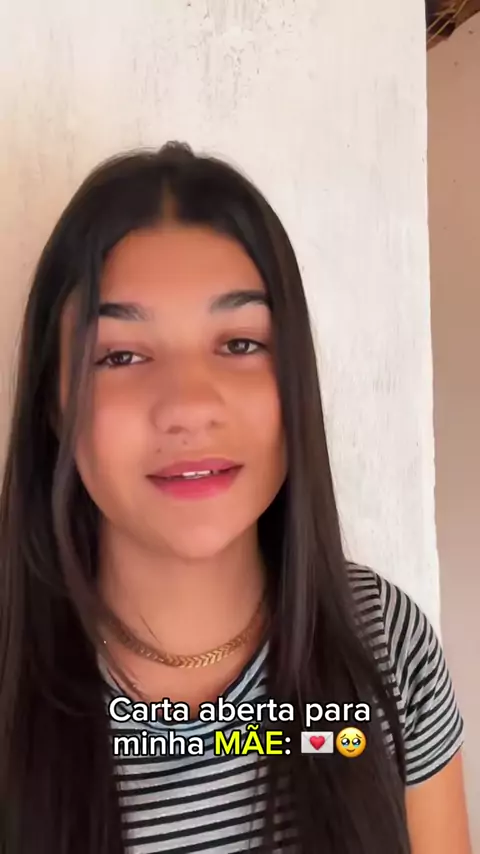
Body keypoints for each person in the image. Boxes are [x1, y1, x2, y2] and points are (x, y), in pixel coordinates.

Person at [0, 142, 471, 854]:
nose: (190, 405)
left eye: (240, 344)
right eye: (121, 355)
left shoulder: (384, 644)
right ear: (54, 406)